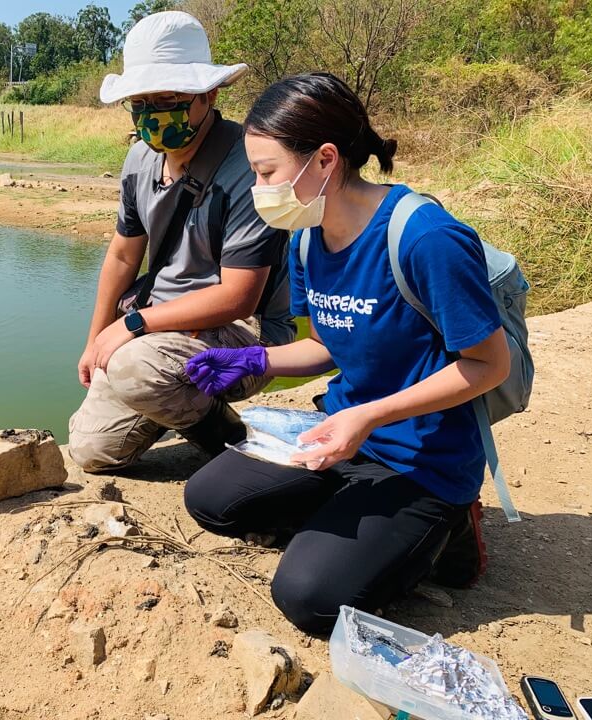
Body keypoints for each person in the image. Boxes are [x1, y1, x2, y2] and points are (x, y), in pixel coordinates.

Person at [183, 73, 511, 634]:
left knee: (307, 598)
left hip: (420, 459)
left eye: (266, 172)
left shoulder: (425, 237)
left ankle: (451, 524)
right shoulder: (308, 237)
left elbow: (489, 364)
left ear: (325, 160)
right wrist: (257, 360)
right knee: (209, 499)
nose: (259, 188)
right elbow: (326, 346)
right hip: (341, 435)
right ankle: (354, 524)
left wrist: (369, 415)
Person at [68, 11, 296, 473]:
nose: (154, 114)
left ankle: (233, 443)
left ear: (208, 95)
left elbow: (239, 297)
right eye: (142, 102)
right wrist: (96, 339)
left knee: (135, 369)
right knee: (92, 452)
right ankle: (166, 394)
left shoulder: (248, 167)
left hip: (244, 333)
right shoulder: (139, 160)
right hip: (158, 324)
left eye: (169, 98)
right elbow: (122, 253)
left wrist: (130, 328)